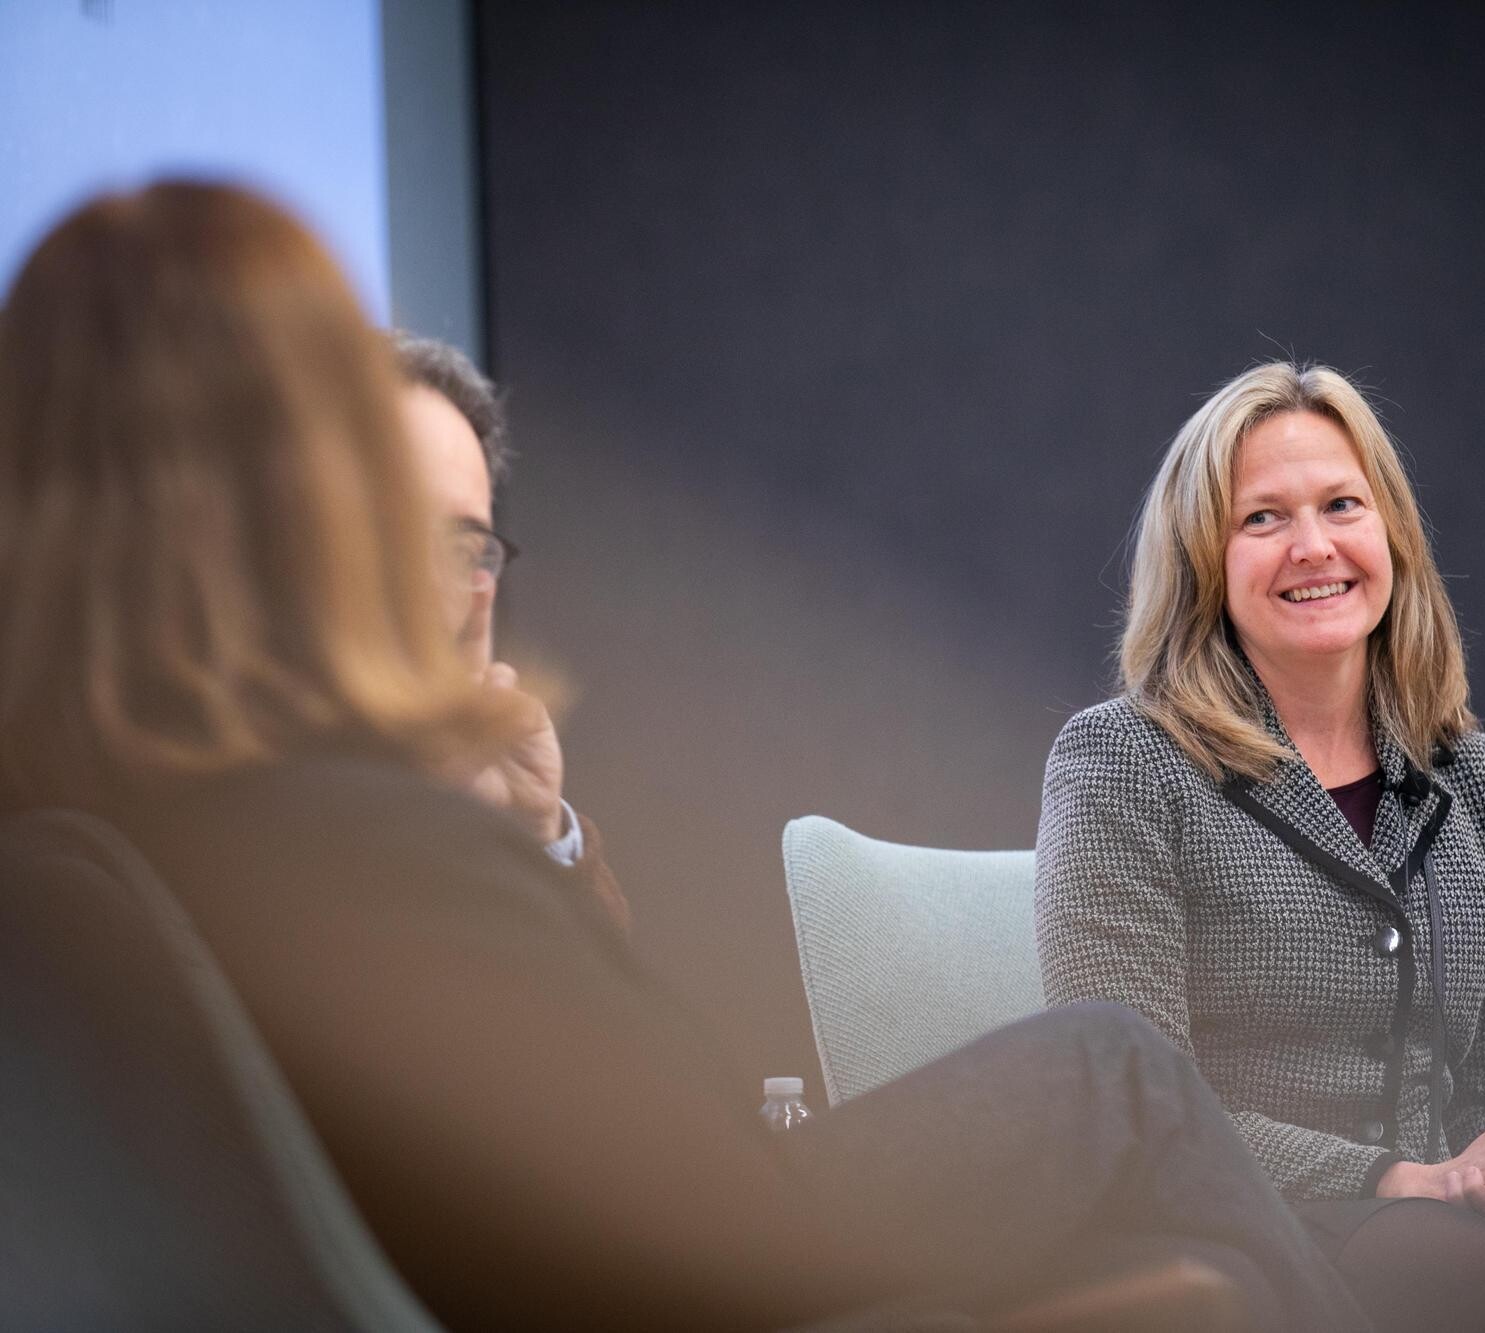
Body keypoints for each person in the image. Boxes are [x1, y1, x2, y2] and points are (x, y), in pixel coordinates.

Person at [0, 183, 1373, 1331]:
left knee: (1222, 1269)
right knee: (1121, 1066)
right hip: (680, 1272)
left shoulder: (100, 824)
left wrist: (526, 843)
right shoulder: (345, 829)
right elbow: (674, 1151)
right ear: (294, 488)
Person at [1034, 362, 1485, 1332]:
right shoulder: (1122, 760)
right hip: (1224, 1214)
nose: (1312, 546)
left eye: (1340, 504)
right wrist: (1403, 1178)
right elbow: (1135, 1107)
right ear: (1200, 561)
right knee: (1475, 1279)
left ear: (1388, 532)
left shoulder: (1476, 779)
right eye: (1260, 518)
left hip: (1436, 1211)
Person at [389, 331, 629, 930]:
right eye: (396, 524)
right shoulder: (217, 804)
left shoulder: (476, 789)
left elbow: (613, 1020)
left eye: (460, 545)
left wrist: (534, 836)